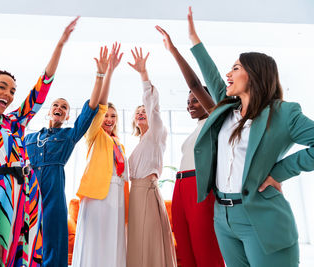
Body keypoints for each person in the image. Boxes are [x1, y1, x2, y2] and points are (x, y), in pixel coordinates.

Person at [187, 7, 314, 267]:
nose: (228, 74)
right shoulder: (227, 109)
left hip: (262, 218)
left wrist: (280, 172)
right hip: (223, 218)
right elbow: (211, 77)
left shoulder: (283, 113)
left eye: (235, 68)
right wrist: (193, 40)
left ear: (254, 75)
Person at [0, 17, 78, 267]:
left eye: (12, 91)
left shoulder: (14, 122)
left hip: (28, 199)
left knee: (27, 259)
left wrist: (61, 44)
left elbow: (40, 90)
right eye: (2, 87)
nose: (8, 95)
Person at [24, 37, 112, 267]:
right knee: (26, 238)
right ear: (49, 111)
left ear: (67, 116)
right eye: (56, 105)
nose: (59, 108)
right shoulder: (30, 138)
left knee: (54, 240)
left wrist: (100, 76)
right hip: (29, 192)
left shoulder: (69, 136)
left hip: (53, 193)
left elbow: (90, 109)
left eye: (64, 107)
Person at [156, 25, 224, 267]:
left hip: (200, 184)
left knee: (205, 246)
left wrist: (173, 50)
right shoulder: (196, 129)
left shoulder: (217, 120)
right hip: (181, 185)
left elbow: (196, 83)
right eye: (188, 102)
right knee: (183, 248)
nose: (190, 104)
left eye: (195, 99)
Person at [72, 43, 128, 267]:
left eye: (113, 116)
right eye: (107, 115)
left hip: (118, 195)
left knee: (113, 241)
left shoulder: (119, 144)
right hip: (97, 195)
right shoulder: (95, 134)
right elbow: (100, 107)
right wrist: (109, 72)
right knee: (95, 240)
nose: (109, 119)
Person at [126, 47, 177, 267]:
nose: (141, 113)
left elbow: (153, 106)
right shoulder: (138, 143)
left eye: (143, 110)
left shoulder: (157, 133)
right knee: (136, 242)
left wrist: (143, 74)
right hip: (134, 193)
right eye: (137, 111)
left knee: (149, 240)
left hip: (147, 191)